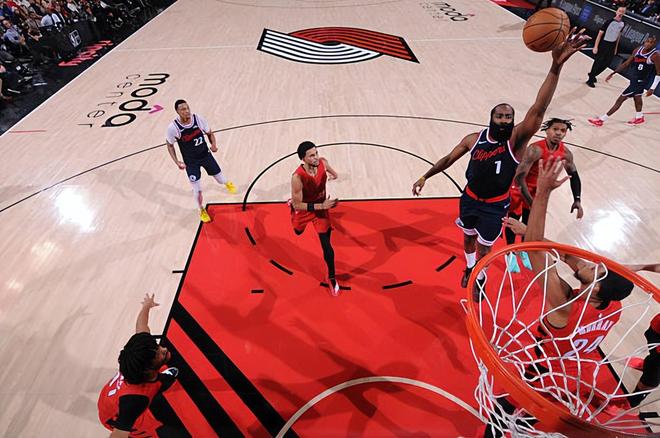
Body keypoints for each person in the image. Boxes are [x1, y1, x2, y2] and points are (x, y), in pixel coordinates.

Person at [411, 29, 589, 299]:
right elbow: (448, 159)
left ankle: (480, 276)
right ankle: (470, 268)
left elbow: (539, 108)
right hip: (469, 198)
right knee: (468, 238)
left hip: (496, 205)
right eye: (500, 116)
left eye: (509, 117)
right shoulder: (474, 139)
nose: (505, 120)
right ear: (491, 118)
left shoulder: (516, 141)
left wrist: (556, 66)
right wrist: (426, 176)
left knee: (485, 246)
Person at [484, 160, 635, 438]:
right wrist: (528, 233)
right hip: (570, 377)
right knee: (532, 417)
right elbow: (566, 256)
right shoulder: (614, 306)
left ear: (595, 288)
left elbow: (535, 253)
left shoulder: (565, 307)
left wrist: (542, 194)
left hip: (540, 376)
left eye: (596, 270)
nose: (590, 263)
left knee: (501, 416)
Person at [97, 294, 182, 437]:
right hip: (113, 416)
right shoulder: (135, 401)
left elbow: (142, 326)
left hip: (109, 396)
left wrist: (146, 306)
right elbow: (118, 435)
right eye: (158, 354)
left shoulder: (140, 355)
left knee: (158, 381)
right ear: (147, 369)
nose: (163, 349)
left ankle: (161, 380)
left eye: (157, 347)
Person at [504, 118, 582, 273]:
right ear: (547, 130)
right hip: (519, 188)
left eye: (563, 130)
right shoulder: (535, 150)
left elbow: (574, 174)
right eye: (555, 129)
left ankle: (524, 250)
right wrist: (531, 202)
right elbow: (519, 178)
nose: (559, 133)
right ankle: (510, 252)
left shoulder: (566, 153)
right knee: (514, 221)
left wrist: (577, 199)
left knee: (529, 223)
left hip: (537, 191)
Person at [166, 99, 236, 223]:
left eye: (187, 108)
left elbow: (209, 133)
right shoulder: (173, 128)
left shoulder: (198, 119)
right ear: (177, 111)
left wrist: (213, 145)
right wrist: (177, 162)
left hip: (205, 155)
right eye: (183, 109)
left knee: (220, 179)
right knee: (197, 190)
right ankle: (201, 210)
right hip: (191, 162)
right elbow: (170, 145)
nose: (187, 111)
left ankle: (227, 183)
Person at [290, 141, 341, 296]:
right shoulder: (297, 177)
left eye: (316, 153)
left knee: (327, 245)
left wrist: (335, 175)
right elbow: (298, 205)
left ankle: (331, 277)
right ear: (303, 159)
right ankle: (290, 209)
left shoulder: (322, 163)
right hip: (305, 209)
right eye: (311, 156)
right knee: (298, 232)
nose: (316, 157)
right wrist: (321, 206)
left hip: (321, 210)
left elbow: (330, 170)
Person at [588, 35, 660, 127]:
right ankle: (639, 117)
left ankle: (602, 120)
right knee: (637, 97)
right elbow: (627, 63)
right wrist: (613, 73)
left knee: (620, 100)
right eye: (648, 41)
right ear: (644, 41)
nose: (648, 44)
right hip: (634, 79)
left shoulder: (655, 55)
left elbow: (659, 73)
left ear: (654, 45)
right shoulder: (638, 49)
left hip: (640, 81)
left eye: (651, 43)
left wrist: (652, 88)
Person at [586, 7, 626, 88]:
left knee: (607, 63)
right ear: (616, 12)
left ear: (624, 14)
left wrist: (615, 48)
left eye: (622, 12)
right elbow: (600, 34)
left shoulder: (622, 24)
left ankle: (593, 74)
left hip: (612, 45)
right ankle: (590, 79)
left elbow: (618, 36)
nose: (620, 13)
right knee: (598, 61)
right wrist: (596, 46)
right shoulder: (609, 21)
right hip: (604, 43)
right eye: (619, 11)